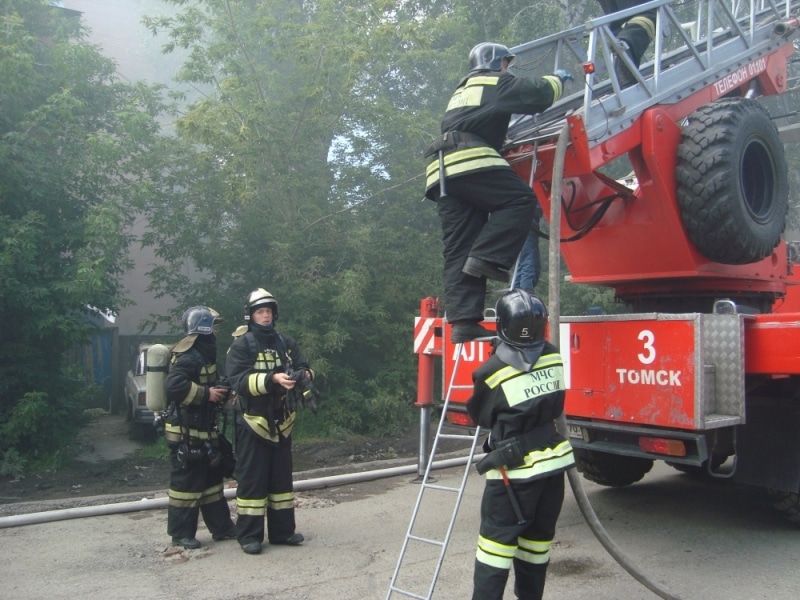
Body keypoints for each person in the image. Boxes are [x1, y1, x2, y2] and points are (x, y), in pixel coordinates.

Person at [424, 42, 572, 344]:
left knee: (458, 248)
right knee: (520, 201)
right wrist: (558, 80)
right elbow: (537, 94)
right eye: (506, 63)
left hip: (441, 173)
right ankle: (488, 257)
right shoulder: (494, 81)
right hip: (469, 161)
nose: (509, 69)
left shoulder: (462, 90)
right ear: (496, 62)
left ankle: (464, 323)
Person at [467, 290, 575, 600]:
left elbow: (481, 415)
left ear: (501, 326)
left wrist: (494, 356)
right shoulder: (554, 355)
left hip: (513, 475)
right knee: (535, 547)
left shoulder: (491, 372)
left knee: (494, 550)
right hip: (553, 469)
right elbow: (552, 403)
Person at [225, 288, 313, 555]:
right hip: (253, 421)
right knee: (252, 480)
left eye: (269, 312)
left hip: (282, 420)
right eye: (260, 312)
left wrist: (303, 376)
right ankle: (249, 536)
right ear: (251, 315)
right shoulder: (242, 344)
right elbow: (237, 381)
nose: (265, 316)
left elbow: (305, 366)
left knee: (281, 481)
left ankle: (283, 532)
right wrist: (271, 380)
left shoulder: (284, 343)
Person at [164, 306, 236, 549]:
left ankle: (222, 528)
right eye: (214, 326)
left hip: (203, 430)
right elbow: (173, 387)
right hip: (186, 433)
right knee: (187, 486)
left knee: (211, 483)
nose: (216, 331)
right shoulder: (190, 356)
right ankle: (181, 534)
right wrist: (207, 394)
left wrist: (221, 392)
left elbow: (210, 383)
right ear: (204, 328)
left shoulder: (203, 353)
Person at [597, 1, 657, 86]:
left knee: (623, 44)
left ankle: (627, 86)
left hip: (645, 14)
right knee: (619, 45)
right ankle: (626, 86)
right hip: (617, 27)